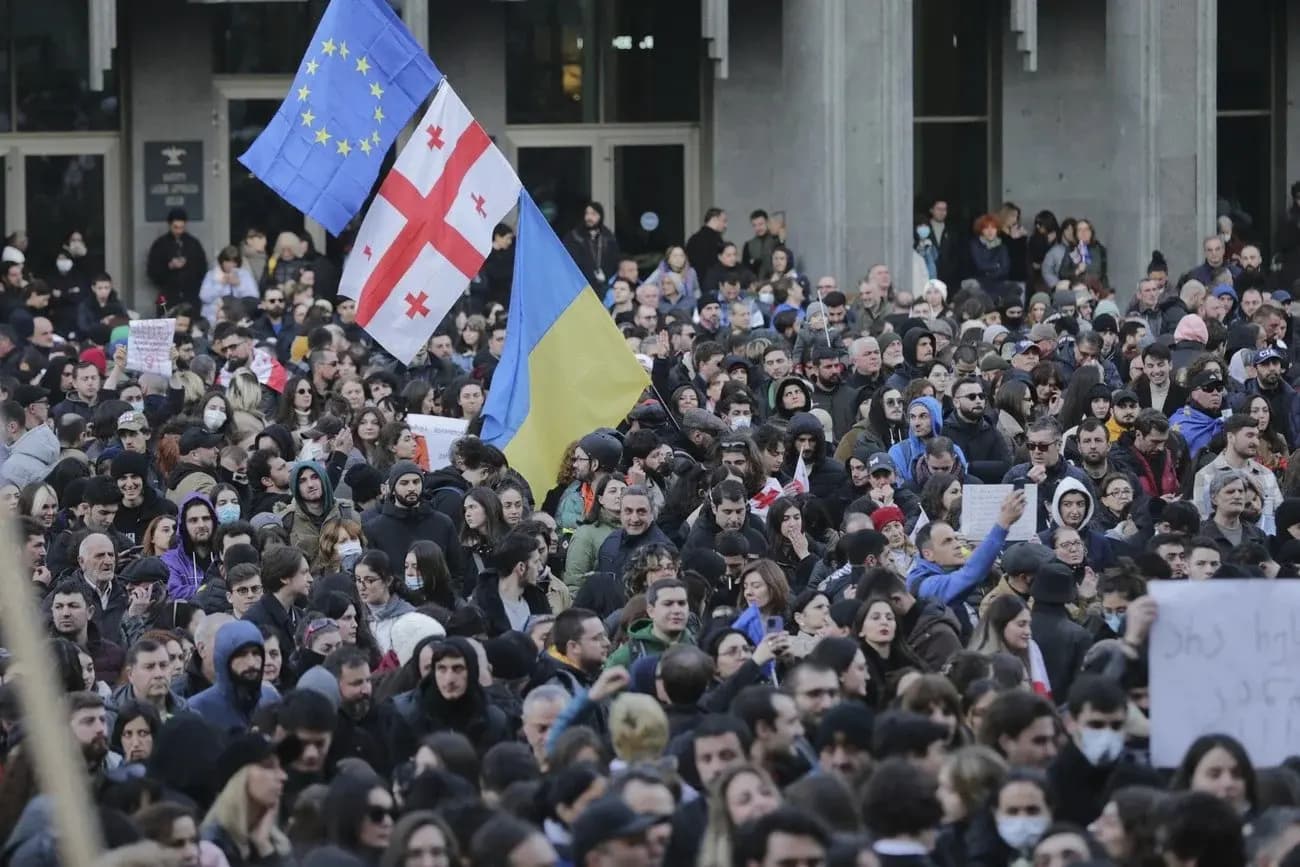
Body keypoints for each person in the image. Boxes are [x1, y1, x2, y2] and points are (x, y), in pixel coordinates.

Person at [187, 620, 279, 733]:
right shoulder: (197, 710)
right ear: (224, 659)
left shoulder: (271, 699)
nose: (251, 663)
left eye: (256, 653)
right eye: (242, 655)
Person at [146, 208, 208, 309]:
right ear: (169, 225)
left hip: (190, 295)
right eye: (175, 227)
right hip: (168, 294)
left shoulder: (193, 244)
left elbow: (202, 268)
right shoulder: (160, 244)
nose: (179, 231)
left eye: (181, 227)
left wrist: (187, 265)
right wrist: (169, 266)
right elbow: (152, 271)